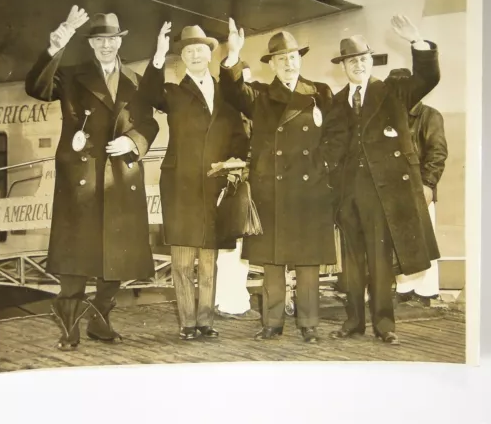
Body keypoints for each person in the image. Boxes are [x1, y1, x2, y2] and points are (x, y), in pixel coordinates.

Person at [25, 7, 159, 351]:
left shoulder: (134, 79)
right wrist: (56, 45)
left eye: (111, 39)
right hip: (82, 177)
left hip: (120, 175)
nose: (105, 46)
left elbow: (149, 122)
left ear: (119, 41)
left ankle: (100, 320)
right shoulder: (72, 76)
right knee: (77, 255)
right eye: (98, 40)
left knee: (116, 255)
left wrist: (134, 141)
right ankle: (69, 326)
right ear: (91, 43)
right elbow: (37, 88)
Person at [220, 19, 350, 343]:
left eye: (292, 56)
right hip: (272, 189)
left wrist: (323, 165)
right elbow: (233, 91)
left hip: (310, 188)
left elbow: (337, 135)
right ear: (272, 64)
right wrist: (233, 55)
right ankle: (272, 323)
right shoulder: (261, 96)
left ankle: (308, 324)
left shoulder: (320, 92)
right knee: (272, 261)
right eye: (281, 59)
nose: (288, 63)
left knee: (308, 261)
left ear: (300, 59)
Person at [133, 22, 249, 340]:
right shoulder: (171, 92)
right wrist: (157, 56)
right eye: (189, 50)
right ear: (182, 57)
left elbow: (240, 134)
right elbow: (146, 95)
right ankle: (187, 323)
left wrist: (236, 163)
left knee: (209, 260)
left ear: (210, 53)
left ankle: (205, 321)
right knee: (183, 260)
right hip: (180, 184)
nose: (196, 54)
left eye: (201, 49)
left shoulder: (227, 93)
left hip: (216, 184)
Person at [330, 15, 441, 345]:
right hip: (346, 197)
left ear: (370, 62)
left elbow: (428, 76)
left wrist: (416, 41)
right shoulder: (335, 102)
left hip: (380, 195)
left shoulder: (393, 92)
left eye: (363, 59)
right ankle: (353, 322)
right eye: (351, 61)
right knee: (350, 265)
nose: (358, 65)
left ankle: (383, 324)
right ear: (344, 66)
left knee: (380, 263)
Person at [387, 68, 448, 307]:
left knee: (425, 239)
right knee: (400, 238)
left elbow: (437, 152)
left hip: (420, 188)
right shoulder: (389, 116)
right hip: (394, 190)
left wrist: (428, 184)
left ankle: (427, 290)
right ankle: (405, 287)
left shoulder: (430, 116)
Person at [214, 62, 262, 321]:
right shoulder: (226, 113)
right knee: (231, 246)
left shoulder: (251, 113)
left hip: (245, 182)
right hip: (231, 183)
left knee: (239, 245)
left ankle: (234, 299)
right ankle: (228, 302)